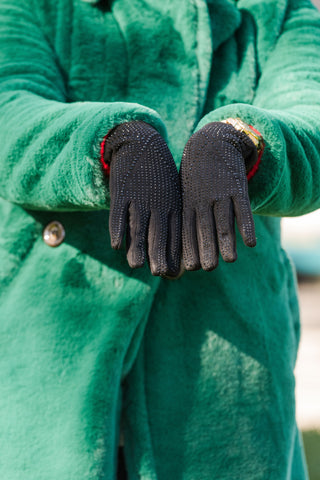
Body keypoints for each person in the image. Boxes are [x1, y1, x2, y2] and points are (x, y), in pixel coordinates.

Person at [0, 0, 319, 478]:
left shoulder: (277, 9)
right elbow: (11, 111)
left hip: (230, 365)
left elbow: (311, 117)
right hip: (54, 346)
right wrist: (110, 141)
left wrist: (242, 140)